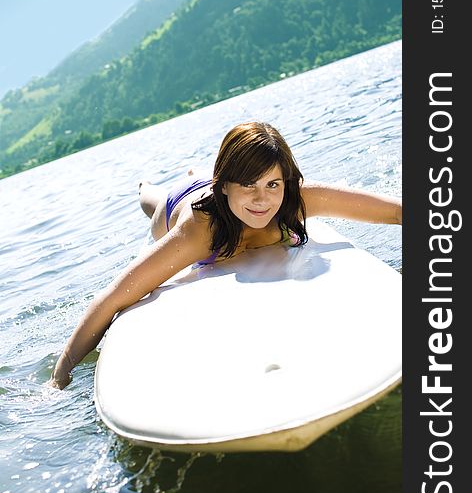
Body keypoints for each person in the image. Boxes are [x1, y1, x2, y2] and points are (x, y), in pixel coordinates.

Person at [49, 121, 402, 389]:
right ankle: (147, 186)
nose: (262, 200)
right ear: (227, 185)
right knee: (153, 202)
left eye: (272, 185)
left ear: (286, 183)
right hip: (180, 202)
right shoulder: (200, 231)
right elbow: (111, 300)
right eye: (249, 186)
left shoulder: (296, 199)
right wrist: (60, 377)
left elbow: (396, 212)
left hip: (216, 180)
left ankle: (199, 174)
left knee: (249, 186)